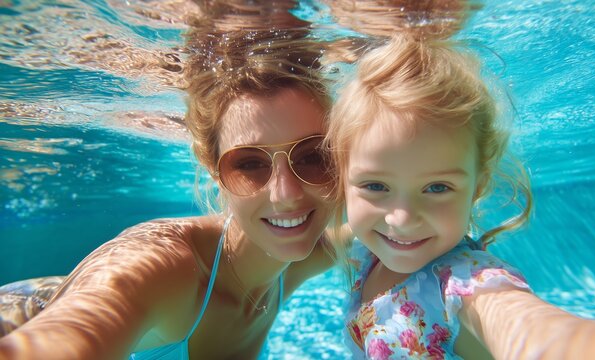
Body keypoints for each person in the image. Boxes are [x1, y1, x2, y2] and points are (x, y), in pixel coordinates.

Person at [0, 17, 340, 359]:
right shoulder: (162, 268)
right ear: (212, 168)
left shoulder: (312, 251)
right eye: (250, 163)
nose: (287, 193)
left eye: (312, 156)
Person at [325, 34, 595, 359]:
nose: (402, 219)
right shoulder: (367, 248)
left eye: (437, 187)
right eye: (376, 187)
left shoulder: (465, 283)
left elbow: (549, 337)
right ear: (343, 180)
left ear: (477, 188)